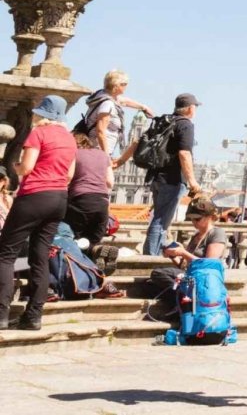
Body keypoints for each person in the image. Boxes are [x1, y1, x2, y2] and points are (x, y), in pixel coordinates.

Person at [0, 95, 77, 331]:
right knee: (40, 256)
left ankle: (1, 315)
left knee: (5, 253)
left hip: (34, 196)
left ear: (43, 114)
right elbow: (70, 175)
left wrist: (15, 167)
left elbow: (28, 167)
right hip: (59, 199)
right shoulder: (70, 139)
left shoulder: (38, 133)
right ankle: (33, 316)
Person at [143, 94, 204, 257]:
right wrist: (192, 181)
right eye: (195, 107)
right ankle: (150, 259)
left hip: (156, 176)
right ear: (191, 108)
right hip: (172, 179)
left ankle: (152, 253)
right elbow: (184, 153)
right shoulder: (185, 125)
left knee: (159, 218)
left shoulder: (166, 121)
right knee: (161, 221)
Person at [77, 69, 154, 160]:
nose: (126, 86)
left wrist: (143, 107)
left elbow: (123, 101)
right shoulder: (107, 104)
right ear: (116, 85)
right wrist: (106, 156)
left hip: (96, 149)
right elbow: (100, 131)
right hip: (98, 151)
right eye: (124, 84)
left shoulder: (102, 95)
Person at [65, 131, 114, 247]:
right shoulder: (103, 155)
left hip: (80, 201)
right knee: (93, 241)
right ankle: (93, 251)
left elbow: (68, 177)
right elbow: (110, 183)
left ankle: (74, 258)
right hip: (102, 203)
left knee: (73, 237)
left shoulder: (74, 153)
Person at [164, 196, 230, 266]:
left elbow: (209, 264)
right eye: (191, 219)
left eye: (197, 219)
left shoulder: (217, 233)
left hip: (204, 275)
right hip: (190, 274)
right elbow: (184, 266)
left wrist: (183, 253)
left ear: (210, 217)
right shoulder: (196, 235)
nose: (193, 222)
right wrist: (173, 255)